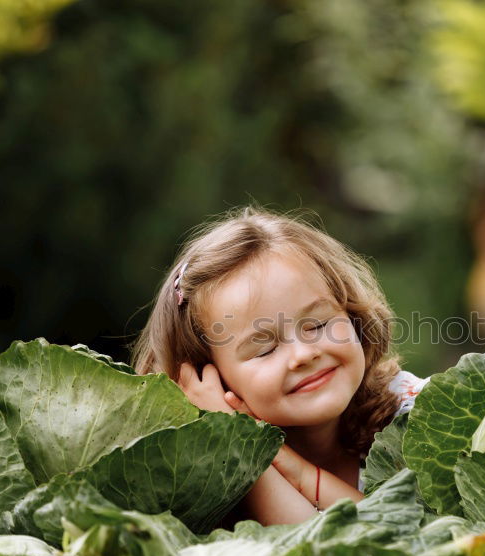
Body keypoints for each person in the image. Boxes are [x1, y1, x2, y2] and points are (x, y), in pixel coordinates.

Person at [131, 206, 427, 526]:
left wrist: (280, 462)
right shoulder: (192, 475)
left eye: (317, 324)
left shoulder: (417, 415)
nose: (303, 354)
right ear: (211, 379)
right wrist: (237, 446)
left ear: (352, 316)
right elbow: (306, 554)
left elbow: (397, 536)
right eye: (265, 348)